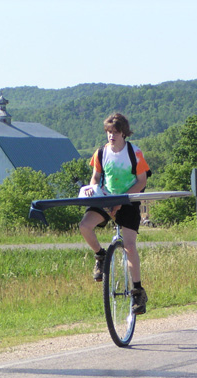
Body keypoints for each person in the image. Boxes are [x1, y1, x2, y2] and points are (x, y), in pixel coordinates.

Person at [79, 113, 150, 315]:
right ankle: (100, 256)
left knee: (129, 245)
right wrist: (94, 193)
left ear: (123, 133)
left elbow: (141, 181)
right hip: (105, 198)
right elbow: (96, 177)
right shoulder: (100, 153)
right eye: (109, 132)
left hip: (129, 200)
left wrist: (122, 200)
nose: (111, 136)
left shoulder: (134, 153)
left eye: (115, 132)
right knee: (85, 226)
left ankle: (137, 291)